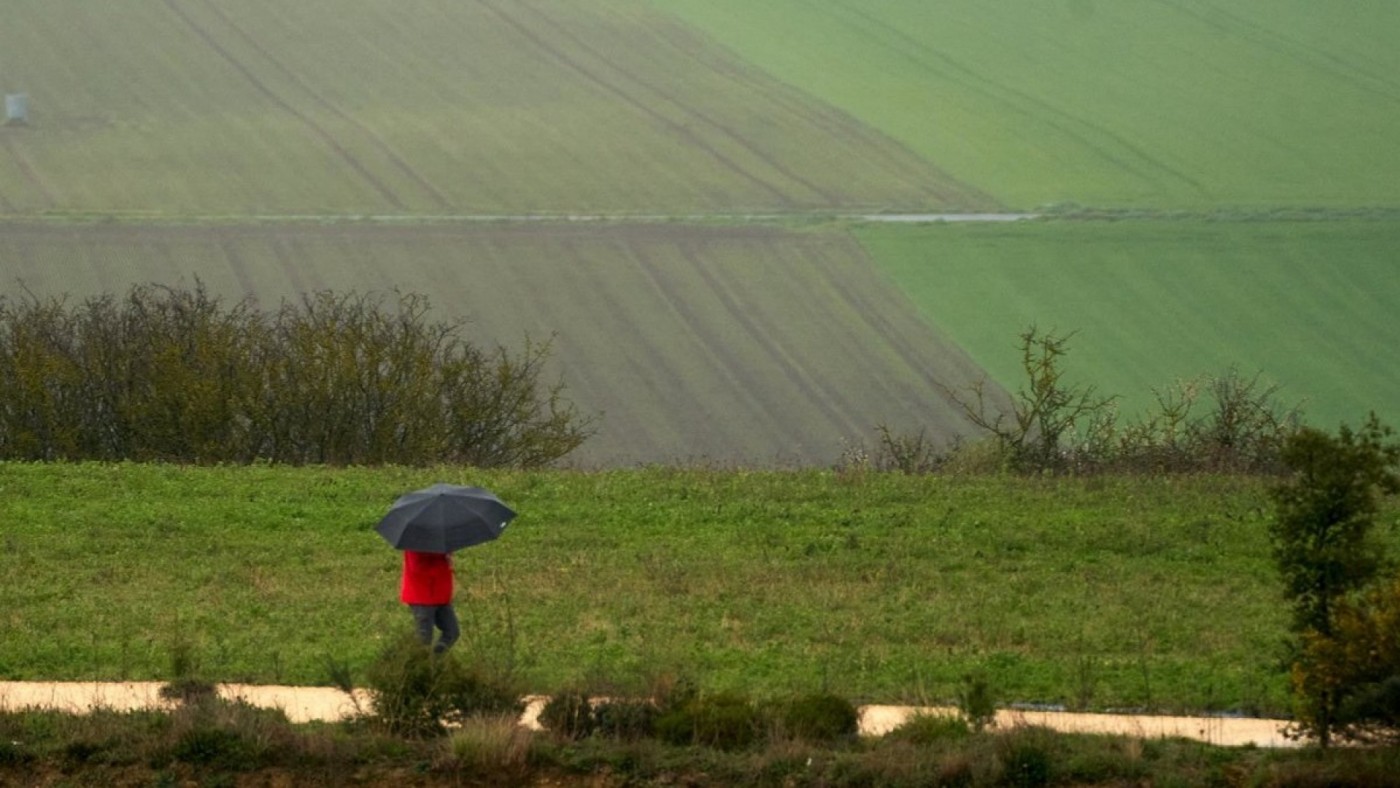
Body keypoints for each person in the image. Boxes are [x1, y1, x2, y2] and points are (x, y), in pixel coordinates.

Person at [400, 550, 460, 653]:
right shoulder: (416, 542)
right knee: (424, 639)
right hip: (422, 597)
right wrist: (443, 563)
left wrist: (447, 555)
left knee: (452, 632)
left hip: (440, 595)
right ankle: (421, 663)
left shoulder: (440, 541)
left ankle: (434, 661)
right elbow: (417, 568)